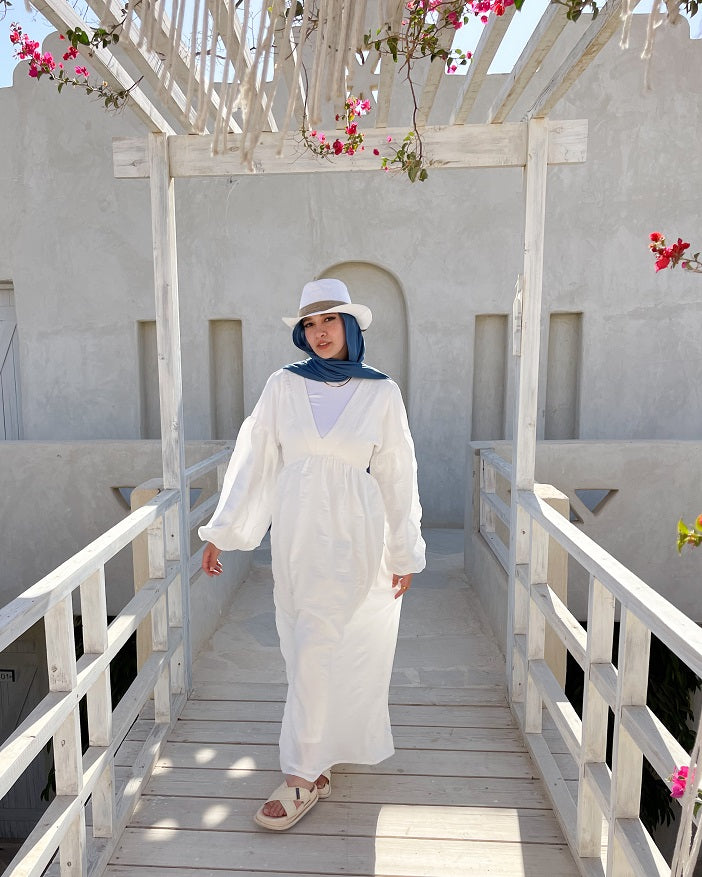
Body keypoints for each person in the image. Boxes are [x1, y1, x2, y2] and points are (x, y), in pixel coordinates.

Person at [199, 278, 426, 831]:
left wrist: (404, 550)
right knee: (303, 643)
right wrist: (222, 531)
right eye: (310, 324)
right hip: (298, 535)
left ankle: (301, 776)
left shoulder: (381, 392)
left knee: (320, 643)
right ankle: (320, 757)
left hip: (356, 534)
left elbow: (398, 474)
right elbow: (254, 459)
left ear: (350, 326)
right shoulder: (283, 386)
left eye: (329, 321)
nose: (319, 332)